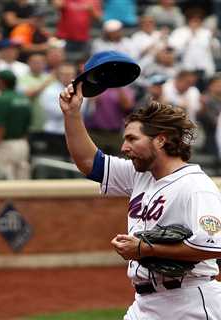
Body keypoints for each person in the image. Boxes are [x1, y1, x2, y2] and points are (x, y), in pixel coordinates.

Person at [60, 83, 221, 319]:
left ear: (161, 140)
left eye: (132, 139)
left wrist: (143, 248)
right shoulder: (140, 175)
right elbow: (89, 162)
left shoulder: (196, 186)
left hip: (190, 302)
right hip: (144, 304)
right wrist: (72, 113)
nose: (124, 147)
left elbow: (214, 245)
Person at [0, 70, 31, 179]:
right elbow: (27, 125)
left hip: (6, 145)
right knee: (22, 182)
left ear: (1, 82)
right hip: (23, 144)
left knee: (6, 182)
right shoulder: (24, 98)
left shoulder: (2, 99)